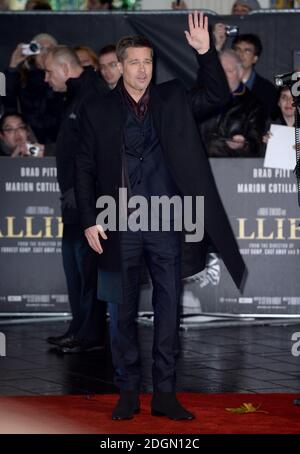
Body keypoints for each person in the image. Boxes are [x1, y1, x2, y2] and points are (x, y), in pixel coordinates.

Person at [76, 12, 246, 420]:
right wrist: (88, 219)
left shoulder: (173, 98)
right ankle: (128, 390)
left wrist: (206, 53)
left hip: (167, 221)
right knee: (123, 311)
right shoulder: (97, 109)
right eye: (134, 62)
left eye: (148, 62)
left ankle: (166, 394)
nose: (142, 69)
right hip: (117, 222)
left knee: (169, 309)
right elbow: (82, 166)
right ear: (119, 67)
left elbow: (218, 95)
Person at [44, 46, 108, 353]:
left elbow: (98, 151)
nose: (45, 79)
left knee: (87, 270)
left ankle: (90, 333)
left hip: (87, 202)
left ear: (65, 68)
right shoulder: (74, 96)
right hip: (73, 201)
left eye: (48, 72)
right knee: (75, 269)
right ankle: (78, 328)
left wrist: (83, 195)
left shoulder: (92, 95)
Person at [200, 50, 264, 157]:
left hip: (230, 167)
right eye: (220, 71)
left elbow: (257, 146)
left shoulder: (252, 105)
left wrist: (242, 145)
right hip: (198, 164)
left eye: (229, 71)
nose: (222, 76)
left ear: (241, 73)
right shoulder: (201, 96)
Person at [2, 33, 64, 144]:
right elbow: (5, 97)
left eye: (49, 49)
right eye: (40, 48)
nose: (45, 53)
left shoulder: (65, 78)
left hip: (60, 142)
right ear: (32, 53)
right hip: (30, 141)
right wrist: (12, 66)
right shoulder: (23, 78)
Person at [232, 34, 277, 126]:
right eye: (237, 49)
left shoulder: (267, 90)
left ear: (255, 58)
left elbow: (272, 121)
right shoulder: (223, 84)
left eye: (247, 51)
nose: (240, 54)